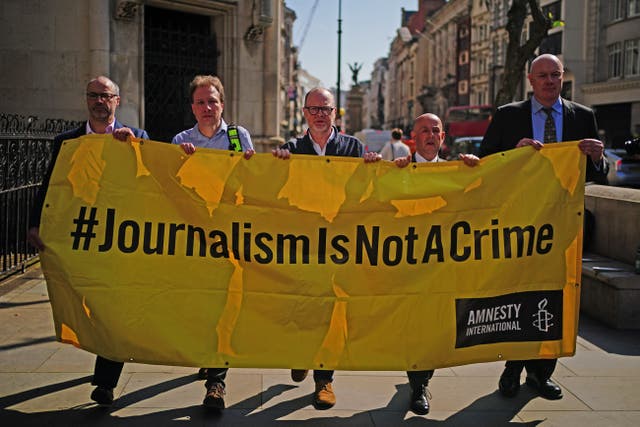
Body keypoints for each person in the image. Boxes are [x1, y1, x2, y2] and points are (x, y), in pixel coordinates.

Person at [480, 53, 608, 401]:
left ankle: (542, 373)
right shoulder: (509, 116)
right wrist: (513, 154)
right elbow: (486, 164)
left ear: (563, 78)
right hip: (519, 227)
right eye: (543, 76)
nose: (550, 81)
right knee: (518, 295)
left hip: (562, 226)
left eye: (556, 75)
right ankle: (511, 370)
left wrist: (598, 158)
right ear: (530, 80)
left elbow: (596, 174)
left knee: (554, 298)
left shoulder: (582, 116)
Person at [26, 76, 149, 406]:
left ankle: (106, 382)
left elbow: (150, 184)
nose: (99, 101)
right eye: (93, 95)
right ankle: (103, 359)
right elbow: (52, 185)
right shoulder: (67, 141)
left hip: (120, 241)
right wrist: (36, 223)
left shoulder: (137, 137)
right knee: (90, 308)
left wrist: (134, 150)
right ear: (86, 100)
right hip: (80, 239)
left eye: (106, 96)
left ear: (116, 101)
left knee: (115, 310)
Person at [272, 87, 381, 410]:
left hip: (338, 244)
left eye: (326, 109)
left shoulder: (353, 148)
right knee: (302, 306)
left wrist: (373, 167)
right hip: (302, 245)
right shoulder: (291, 148)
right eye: (314, 108)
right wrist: (275, 166)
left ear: (336, 113)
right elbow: (275, 193)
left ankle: (324, 379)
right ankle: (301, 353)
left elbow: (365, 192)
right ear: (304, 113)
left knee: (330, 311)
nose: (320, 114)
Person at [171, 74, 254, 411]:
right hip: (194, 236)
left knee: (223, 303)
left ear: (222, 104)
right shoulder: (180, 140)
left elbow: (252, 182)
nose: (207, 107)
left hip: (228, 234)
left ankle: (216, 383)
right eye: (201, 102)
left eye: (213, 101)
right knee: (200, 303)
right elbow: (170, 187)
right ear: (193, 107)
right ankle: (207, 354)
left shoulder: (238, 136)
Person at [394, 113, 479, 414]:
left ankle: (422, 377)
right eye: (424, 131)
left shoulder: (458, 171)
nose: (430, 136)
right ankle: (418, 385)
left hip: (443, 265)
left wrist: (473, 171)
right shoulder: (397, 171)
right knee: (416, 325)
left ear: (443, 138)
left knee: (437, 325)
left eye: (436, 131)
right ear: (412, 138)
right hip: (408, 264)